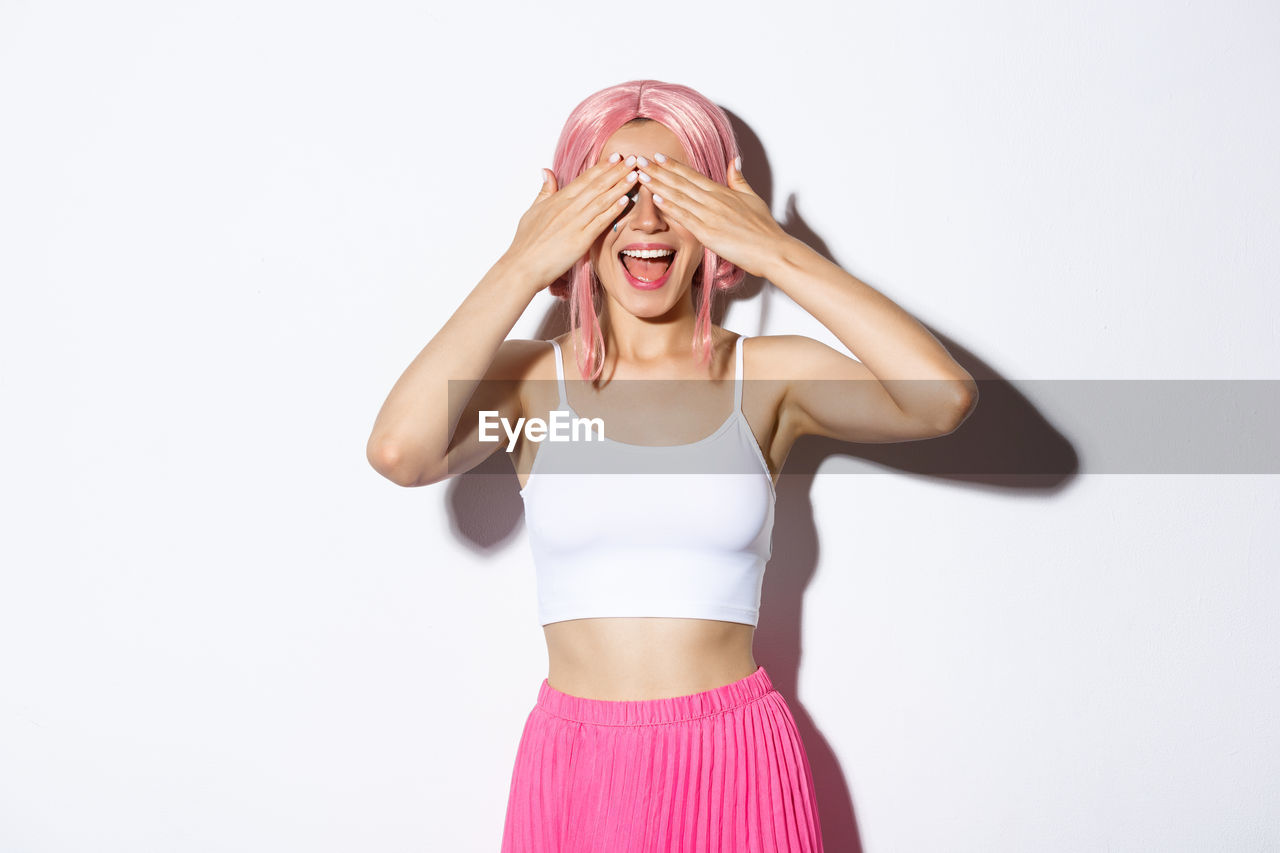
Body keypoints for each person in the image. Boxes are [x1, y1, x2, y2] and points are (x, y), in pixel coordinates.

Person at [366, 79, 977, 852]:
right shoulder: (525, 389)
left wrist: (776, 251)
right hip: (579, 768)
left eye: (674, 193)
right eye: (616, 192)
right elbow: (400, 450)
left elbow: (941, 399)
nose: (647, 221)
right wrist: (521, 264)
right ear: (571, 214)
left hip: (736, 759)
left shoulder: (768, 379)